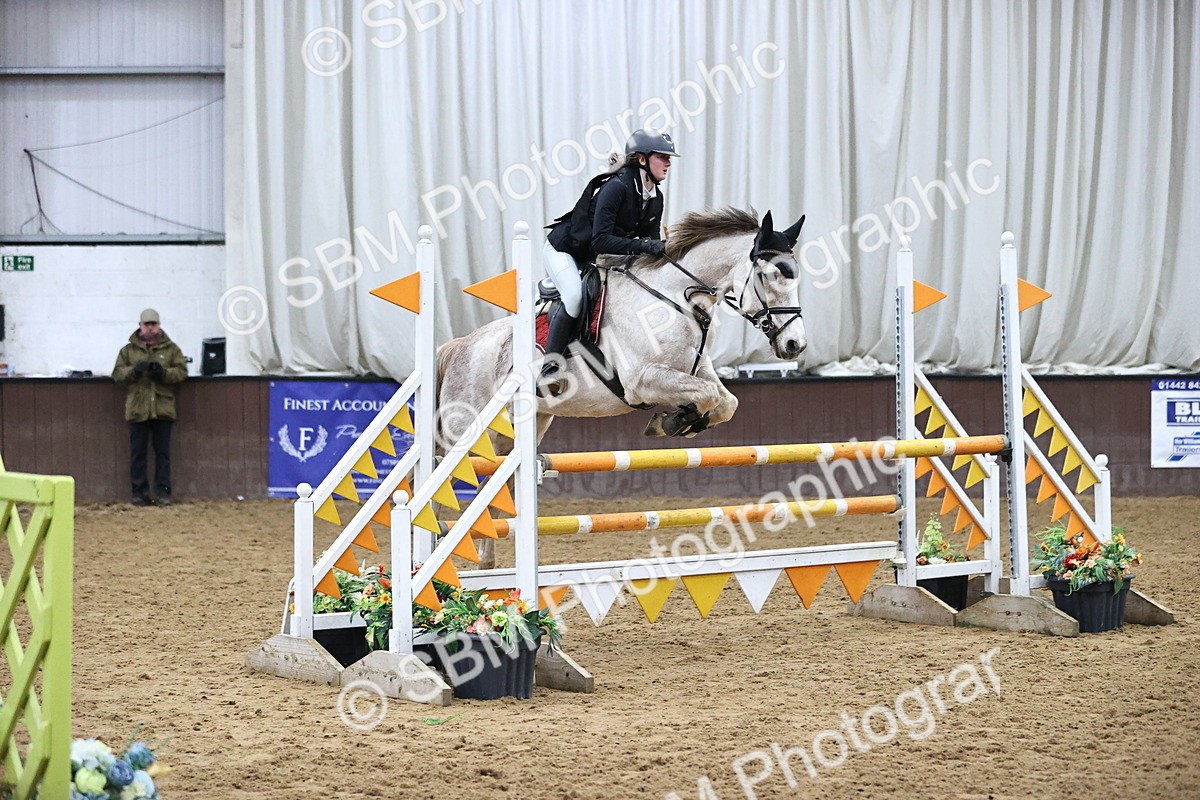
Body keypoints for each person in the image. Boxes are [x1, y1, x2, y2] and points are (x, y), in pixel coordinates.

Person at [542, 127, 680, 395]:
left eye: (668, 157)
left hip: (600, 255)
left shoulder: (655, 197)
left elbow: (648, 243)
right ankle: (550, 367)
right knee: (573, 296)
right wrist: (645, 245)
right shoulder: (616, 188)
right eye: (662, 156)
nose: (668, 162)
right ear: (642, 159)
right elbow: (600, 241)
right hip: (566, 250)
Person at [112, 308, 188, 505]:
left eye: (154, 324)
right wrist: (134, 372)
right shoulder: (127, 351)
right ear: (140, 326)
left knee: (162, 454)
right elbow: (118, 375)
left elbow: (181, 373)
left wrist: (163, 374)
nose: (151, 328)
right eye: (147, 324)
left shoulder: (172, 349)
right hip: (138, 409)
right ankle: (139, 492)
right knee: (138, 454)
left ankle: (163, 493)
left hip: (163, 408)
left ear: (159, 325)